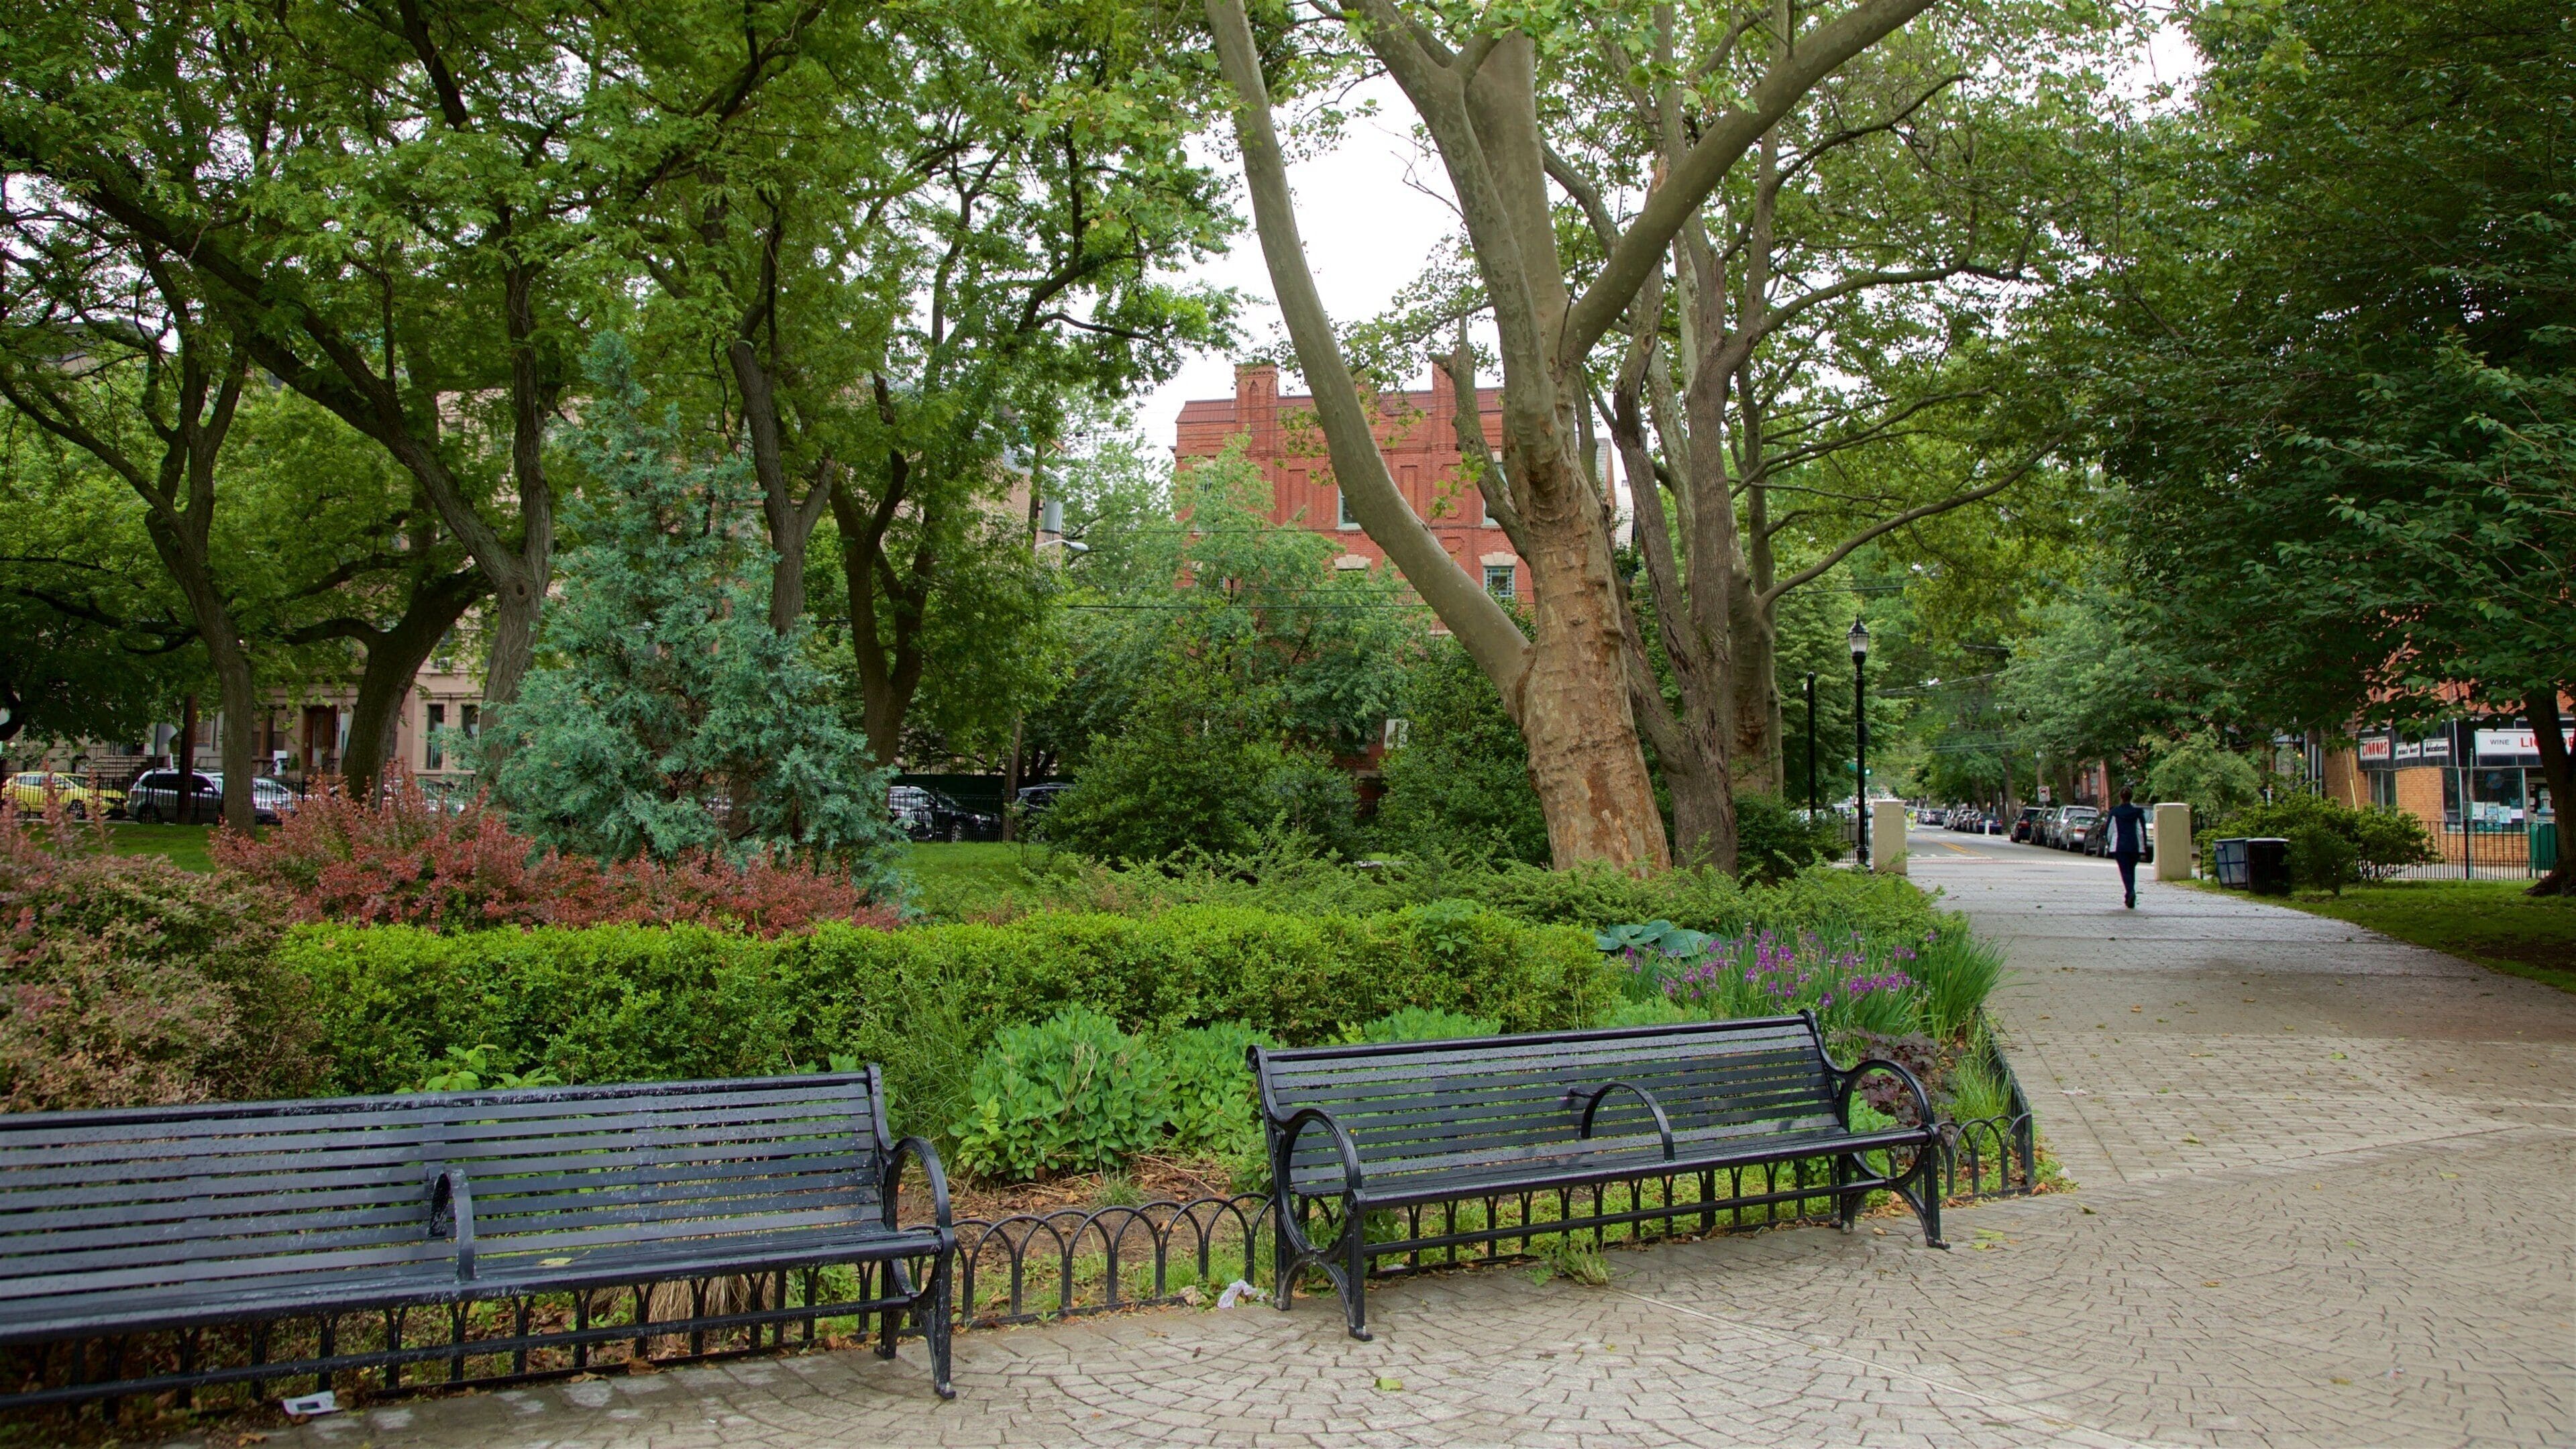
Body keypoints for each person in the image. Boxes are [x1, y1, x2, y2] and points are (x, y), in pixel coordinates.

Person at [2103, 786, 2149, 909]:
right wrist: (2143, 846)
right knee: (2131, 870)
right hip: (2134, 845)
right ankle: (2130, 894)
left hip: (2120, 846)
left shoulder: (2115, 812)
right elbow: (2141, 831)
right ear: (2131, 797)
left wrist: (2109, 843)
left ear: (2121, 797)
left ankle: (2130, 892)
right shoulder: (2137, 812)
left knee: (2125, 871)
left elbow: (2110, 830)